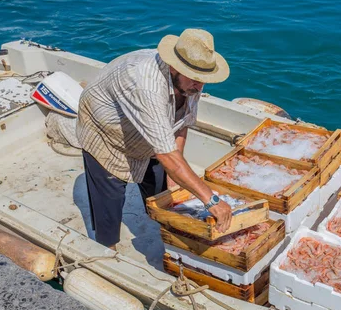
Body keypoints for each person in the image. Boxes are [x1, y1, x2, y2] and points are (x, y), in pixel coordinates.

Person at [76, 29, 233, 250]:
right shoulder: (146, 84)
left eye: (203, 80)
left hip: (150, 132)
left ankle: (163, 228)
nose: (199, 86)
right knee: (110, 199)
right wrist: (211, 200)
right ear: (174, 67)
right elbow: (165, 153)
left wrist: (174, 172)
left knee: (163, 186)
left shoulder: (191, 81)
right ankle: (106, 248)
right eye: (196, 80)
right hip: (107, 131)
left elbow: (182, 124)